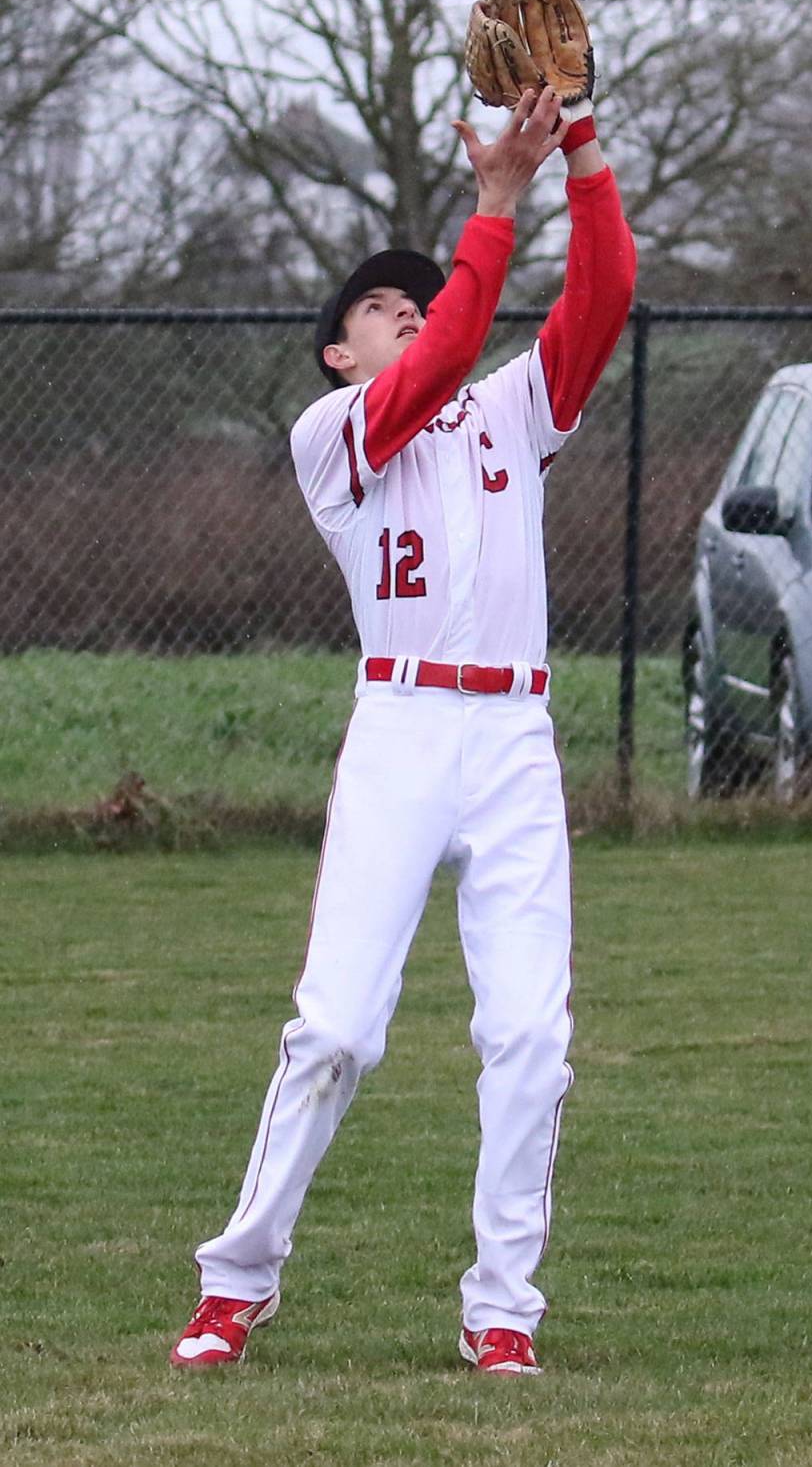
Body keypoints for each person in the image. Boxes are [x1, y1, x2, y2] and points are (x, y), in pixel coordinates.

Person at [170, 79, 636, 1376]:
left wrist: (581, 145)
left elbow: (599, 300)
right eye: (381, 303)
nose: (411, 309)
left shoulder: (505, 414)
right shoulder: (335, 435)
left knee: (532, 1035)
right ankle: (238, 1279)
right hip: (403, 728)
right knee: (336, 1026)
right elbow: (444, 353)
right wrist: (496, 201)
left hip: (514, 743)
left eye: (418, 294)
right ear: (339, 351)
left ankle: (503, 1306)